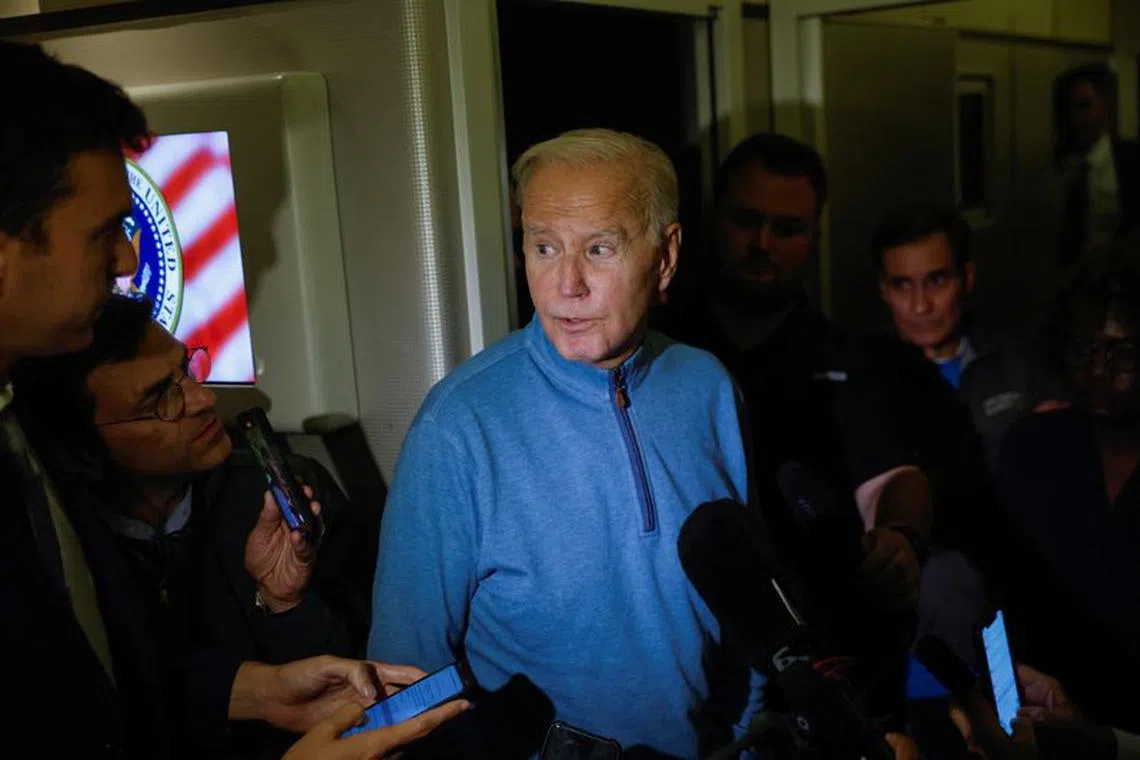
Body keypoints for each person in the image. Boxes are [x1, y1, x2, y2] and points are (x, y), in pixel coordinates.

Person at [0, 40, 462, 759]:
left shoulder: (16, 437)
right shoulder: (47, 453)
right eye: (102, 234)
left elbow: (82, 691)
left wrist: (250, 690)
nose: (127, 260)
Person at [369, 128, 764, 758]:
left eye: (600, 248)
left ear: (665, 257)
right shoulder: (460, 424)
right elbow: (403, 676)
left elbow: (753, 607)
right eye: (544, 247)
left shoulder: (709, 389)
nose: (566, 284)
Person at [11, 294, 377, 757]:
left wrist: (286, 605)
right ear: (80, 452)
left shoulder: (281, 495)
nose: (205, 400)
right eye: (160, 398)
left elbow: (358, 685)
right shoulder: (53, 551)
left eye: (186, 370)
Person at [995, 251, 1140, 733]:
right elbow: (1002, 589)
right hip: (1042, 713)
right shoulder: (1033, 447)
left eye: (1123, 353)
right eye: (1083, 350)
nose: (1100, 370)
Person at [872, 205, 1065, 466]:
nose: (920, 306)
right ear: (883, 290)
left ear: (967, 278)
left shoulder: (1016, 358)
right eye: (902, 286)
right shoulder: (866, 375)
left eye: (936, 281)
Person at [1054, 63, 1140, 267]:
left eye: (1085, 106)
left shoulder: (1130, 159)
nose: (1076, 119)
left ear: (1104, 108)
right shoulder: (1065, 165)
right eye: (1070, 110)